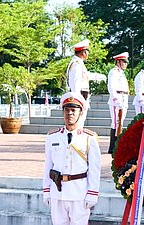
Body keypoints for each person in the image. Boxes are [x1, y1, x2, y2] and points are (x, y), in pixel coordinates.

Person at [42, 92, 101, 225]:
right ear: (63, 112)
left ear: (80, 113)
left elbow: (94, 169)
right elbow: (48, 165)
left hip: (79, 192)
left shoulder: (89, 138)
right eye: (67, 110)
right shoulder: (52, 137)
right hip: (57, 192)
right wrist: (46, 190)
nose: (70, 113)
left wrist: (92, 193)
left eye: (74, 110)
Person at [66, 39, 106, 127]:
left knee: (80, 122)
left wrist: (98, 76)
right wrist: (77, 100)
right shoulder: (76, 64)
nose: (88, 54)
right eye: (87, 51)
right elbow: (75, 83)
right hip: (80, 95)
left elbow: (85, 76)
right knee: (78, 122)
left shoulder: (79, 63)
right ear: (83, 52)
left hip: (82, 95)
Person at [107, 52, 129, 154]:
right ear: (118, 61)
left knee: (121, 122)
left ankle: (117, 145)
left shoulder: (121, 73)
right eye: (124, 61)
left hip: (123, 98)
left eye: (126, 62)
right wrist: (116, 99)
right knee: (116, 122)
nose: (125, 63)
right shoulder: (114, 72)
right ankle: (112, 147)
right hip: (117, 99)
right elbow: (111, 87)